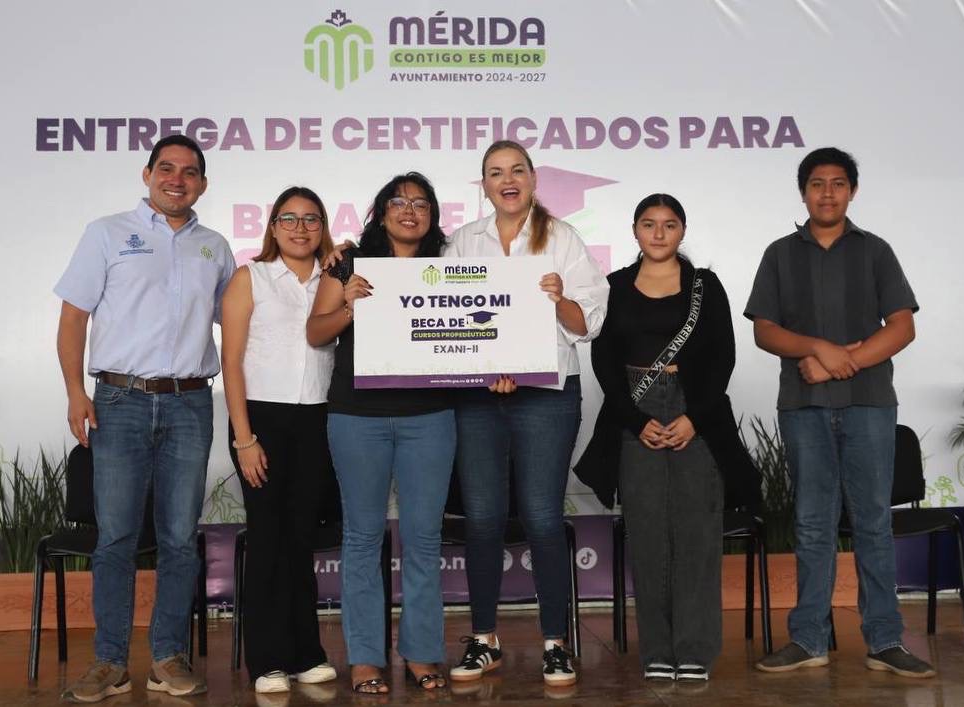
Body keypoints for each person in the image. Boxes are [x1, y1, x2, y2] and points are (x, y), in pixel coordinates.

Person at [54, 135, 236, 702]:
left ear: (202, 184)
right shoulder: (106, 233)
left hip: (190, 404)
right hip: (119, 401)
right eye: (167, 168)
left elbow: (240, 322)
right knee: (116, 538)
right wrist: (75, 393)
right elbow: (73, 318)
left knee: (180, 539)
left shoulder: (215, 248)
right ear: (147, 174)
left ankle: (167, 658)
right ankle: (109, 663)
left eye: (189, 171)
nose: (177, 179)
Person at [747, 147, 934, 678]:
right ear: (802, 191)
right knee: (812, 524)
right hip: (803, 409)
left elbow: (902, 326)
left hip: (869, 406)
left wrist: (835, 364)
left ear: (852, 191)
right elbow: (765, 331)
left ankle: (885, 640)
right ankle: (809, 639)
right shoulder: (780, 254)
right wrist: (818, 348)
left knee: (873, 522)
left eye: (837, 183)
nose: (827, 193)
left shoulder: (876, 251)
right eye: (816, 184)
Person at [445, 140, 608, 687]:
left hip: (546, 393)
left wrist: (560, 299)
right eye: (495, 172)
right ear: (485, 185)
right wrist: (485, 367)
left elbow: (588, 324)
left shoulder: (562, 238)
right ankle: (484, 640)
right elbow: (450, 319)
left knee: (540, 516)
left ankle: (556, 644)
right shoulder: (463, 242)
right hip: (479, 395)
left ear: (534, 179)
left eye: (517, 170)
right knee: (483, 518)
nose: (507, 180)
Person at [578, 193, 760, 682]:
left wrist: (694, 417)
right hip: (635, 414)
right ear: (634, 230)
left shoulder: (705, 286)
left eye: (669, 224)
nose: (658, 233)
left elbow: (723, 356)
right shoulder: (614, 285)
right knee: (648, 538)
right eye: (648, 223)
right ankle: (657, 650)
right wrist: (635, 421)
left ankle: (695, 650)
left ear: (683, 230)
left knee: (698, 536)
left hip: (695, 412)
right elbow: (604, 362)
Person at [306, 172, 455, 694]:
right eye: (398, 201)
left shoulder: (451, 266)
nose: (409, 211)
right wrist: (349, 305)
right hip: (357, 417)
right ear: (381, 211)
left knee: (424, 538)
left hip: (430, 417)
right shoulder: (348, 263)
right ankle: (366, 657)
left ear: (433, 216)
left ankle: (422, 652)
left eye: (421, 204)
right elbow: (315, 331)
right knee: (363, 536)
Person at [220, 187, 338, 694]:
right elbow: (231, 362)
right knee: (268, 539)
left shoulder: (335, 279)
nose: (300, 228)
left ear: (323, 227)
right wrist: (244, 438)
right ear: (272, 227)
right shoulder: (250, 277)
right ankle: (266, 660)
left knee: (300, 540)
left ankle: (305, 653)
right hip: (260, 422)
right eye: (289, 219)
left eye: (311, 219)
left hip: (316, 419)